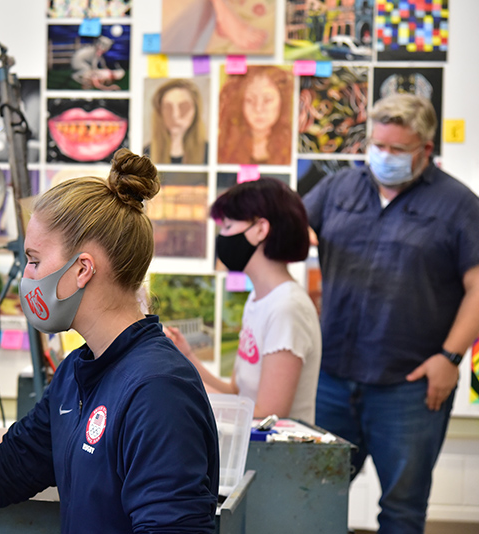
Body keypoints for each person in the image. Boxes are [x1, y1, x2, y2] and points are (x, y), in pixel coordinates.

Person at [0, 148, 220, 532]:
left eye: (35, 261)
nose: (27, 275)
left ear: (83, 269)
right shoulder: (78, 373)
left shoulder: (157, 390)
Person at [303, 93, 479, 534]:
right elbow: (295, 234)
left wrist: (451, 358)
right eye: (377, 145)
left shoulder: (458, 205)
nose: (384, 156)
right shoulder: (340, 188)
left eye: (397, 150)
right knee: (310, 498)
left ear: (426, 150)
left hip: (411, 387)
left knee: (401, 510)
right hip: (333, 380)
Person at [165, 178, 322, 422]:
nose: (222, 237)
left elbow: (268, 415)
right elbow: (237, 393)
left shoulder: (287, 308)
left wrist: (179, 385)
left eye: (227, 226)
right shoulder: (258, 299)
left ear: (260, 229)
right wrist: (187, 358)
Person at [217, 66, 293, 165]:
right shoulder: (223, 145)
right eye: (250, 100)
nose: (258, 109)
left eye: (267, 100)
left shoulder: (292, 145)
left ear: (282, 101)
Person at [144, 78, 208, 165]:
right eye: (168, 107)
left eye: (183, 107)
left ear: (196, 111)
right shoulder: (146, 154)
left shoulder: (209, 153)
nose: (175, 115)